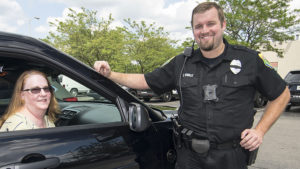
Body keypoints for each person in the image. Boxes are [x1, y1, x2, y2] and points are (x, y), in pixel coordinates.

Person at [94, 2, 290, 169]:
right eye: (198, 26)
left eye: (210, 24)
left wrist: (260, 131)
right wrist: (110, 74)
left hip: (231, 157)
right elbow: (146, 80)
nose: (204, 30)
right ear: (193, 30)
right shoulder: (181, 63)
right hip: (189, 157)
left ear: (223, 25)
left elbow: (282, 95)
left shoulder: (250, 60)